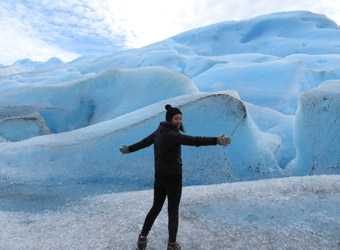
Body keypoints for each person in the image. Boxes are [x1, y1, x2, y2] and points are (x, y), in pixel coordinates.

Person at [119, 104, 231, 250]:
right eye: (176, 119)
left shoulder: (158, 132)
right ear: (169, 119)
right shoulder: (173, 135)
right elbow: (195, 141)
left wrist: (129, 149)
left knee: (156, 208)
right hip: (173, 179)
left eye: (180, 119)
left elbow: (144, 143)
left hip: (159, 178)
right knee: (173, 210)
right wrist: (215, 140)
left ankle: (142, 238)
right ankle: (172, 244)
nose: (179, 122)